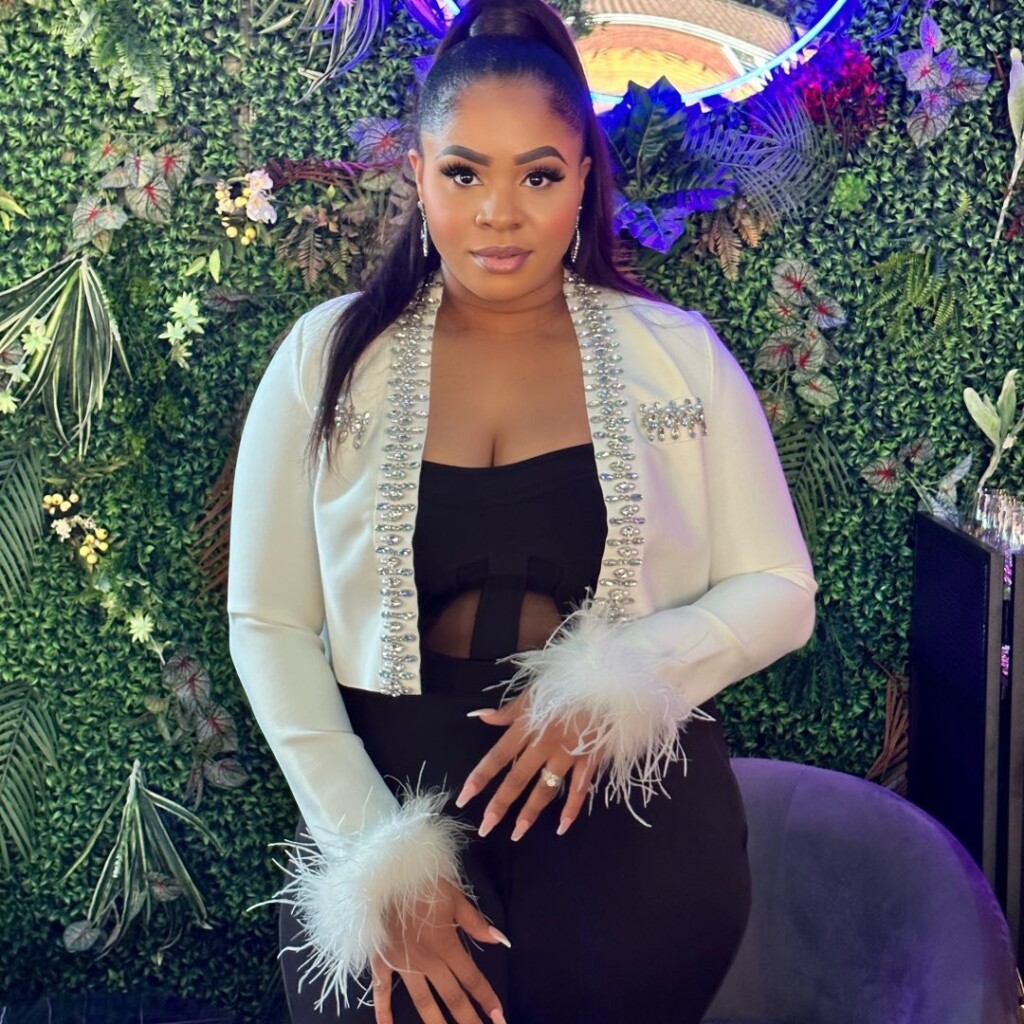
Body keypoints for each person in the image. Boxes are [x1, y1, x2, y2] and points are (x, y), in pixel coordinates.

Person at [227, 1, 817, 1022]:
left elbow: (780, 589)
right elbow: (267, 620)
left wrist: (620, 685)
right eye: (465, 173)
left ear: (582, 177)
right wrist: (374, 855)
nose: (499, 213)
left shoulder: (678, 357)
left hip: (632, 826)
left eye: (537, 175)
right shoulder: (325, 358)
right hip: (388, 802)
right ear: (418, 173)